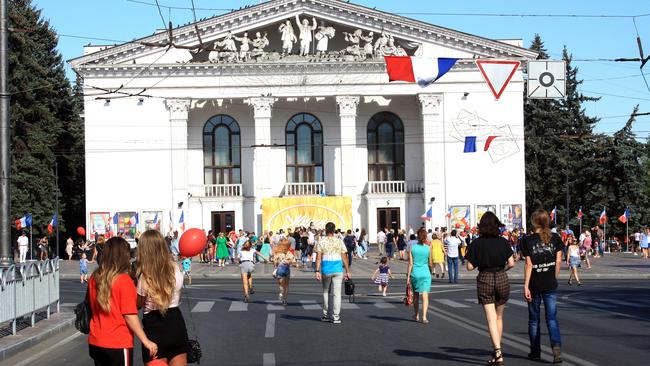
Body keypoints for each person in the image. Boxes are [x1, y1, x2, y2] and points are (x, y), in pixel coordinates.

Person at [87, 237, 157, 366]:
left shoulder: (94, 277)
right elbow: (129, 315)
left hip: (96, 340)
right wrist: (145, 340)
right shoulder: (123, 280)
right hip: (117, 342)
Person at [465, 212, 515, 366]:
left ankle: (498, 352)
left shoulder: (477, 243)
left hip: (485, 278)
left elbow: (469, 267)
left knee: (491, 318)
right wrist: (502, 269)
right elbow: (512, 263)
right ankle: (497, 351)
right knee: (499, 317)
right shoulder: (503, 242)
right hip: (501, 277)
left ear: (482, 226)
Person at [136, 230, 188, 366]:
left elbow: (138, 304)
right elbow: (178, 296)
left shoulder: (145, 277)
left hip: (154, 327)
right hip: (176, 323)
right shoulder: (176, 269)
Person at [521, 209, 563, 363]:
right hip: (550, 283)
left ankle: (535, 351)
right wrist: (554, 276)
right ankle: (556, 348)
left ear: (534, 222)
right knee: (552, 319)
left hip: (534, 284)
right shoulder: (556, 238)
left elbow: (528, 264)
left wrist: (526, 286)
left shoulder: (527, 240)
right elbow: (559, 261)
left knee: (534, 320)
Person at [315, 222, 350, 324]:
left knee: (326, 292)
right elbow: (344, 257)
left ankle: (326, 315)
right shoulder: (339, 241)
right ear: (334, 230)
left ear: (325, 230)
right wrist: (347, 271)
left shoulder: (321, 242)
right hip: (338, 270)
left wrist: (317, 271)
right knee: (337, 294)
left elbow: (318, 258)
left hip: (326, 270)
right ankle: (336, 317)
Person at [407, 228, 433, 323]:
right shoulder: (428, 248)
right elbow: (430, 263)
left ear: (417, 236)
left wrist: (408, 276)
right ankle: (424, 317)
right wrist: (430, 271)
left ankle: (416, 315)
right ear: (425, 237)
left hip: (415, 273)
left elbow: (410, 264)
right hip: (426, 273)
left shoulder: (412, 248)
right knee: (425, 296)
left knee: (416, 295)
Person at [273, 239, 296, 305]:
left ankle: (281, 292)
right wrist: (290, 262)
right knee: (287, 285)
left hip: (280, 269)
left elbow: (274, 262)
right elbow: (293, 262)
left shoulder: (277, 253)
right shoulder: (289, 253)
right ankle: (285, 299)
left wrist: (276, 265)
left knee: (281, 284)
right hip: (287, 269)